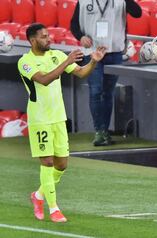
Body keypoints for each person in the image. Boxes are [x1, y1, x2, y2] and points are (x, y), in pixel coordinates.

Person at [18, 23, 106, 223]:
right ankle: (54, 208)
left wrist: (93, 62)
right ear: (32, 40)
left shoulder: (56, 55)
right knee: (47, 162)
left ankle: (38, 196)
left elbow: (82, 73)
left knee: (61, 165)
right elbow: (45, 79)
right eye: (43, 37)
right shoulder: (25, 62)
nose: (49, 39)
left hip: (58, 117)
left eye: (48, 36)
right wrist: (66, 61)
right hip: (40, 119)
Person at [70, 0, 142, 146]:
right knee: (95, 91)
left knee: (108, 93)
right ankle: (99, 131)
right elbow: (73, 25)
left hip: (114, 52)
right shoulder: (83, 1)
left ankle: (105, 131)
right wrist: (80, 37)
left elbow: (137, 13)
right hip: (91, 52)